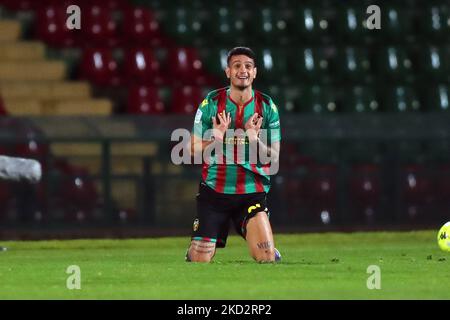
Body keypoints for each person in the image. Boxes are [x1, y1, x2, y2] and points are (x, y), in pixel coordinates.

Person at [186, 47, 282, 263]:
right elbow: (192, 148)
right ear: (228, 72)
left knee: (266, 257)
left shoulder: (267, 106)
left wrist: (254, 138)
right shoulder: (210, 103)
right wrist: (216, 137)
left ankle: (268, 246)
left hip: (251, 193)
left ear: (255, 72)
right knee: (199, 260)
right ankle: (196, 249)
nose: (243, 70)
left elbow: (274, 157)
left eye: (248, 66)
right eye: (237, 65)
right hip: (214, 192)